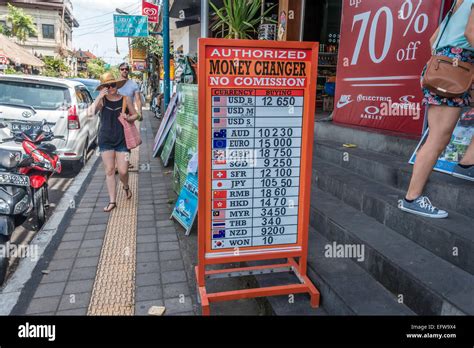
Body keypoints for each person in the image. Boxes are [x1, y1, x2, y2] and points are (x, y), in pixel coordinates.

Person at [399, 0, 474, 219]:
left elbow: (433, 40)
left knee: (438, 136)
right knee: (438, 138)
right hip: (456, 70)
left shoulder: (459, 3)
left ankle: (467, 162)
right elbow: (471, 34)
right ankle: (411, 198)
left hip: (450, 66)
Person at [90, 72, 139, 212]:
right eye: (107, 86)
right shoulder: (102, 101)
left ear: (117, 85)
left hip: (122, 140)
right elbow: (90, 112)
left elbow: (135, 114)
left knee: (123, 171)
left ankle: (126, 186)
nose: (111, 88)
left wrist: (129, 118)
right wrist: (99, 96)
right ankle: (112, 201)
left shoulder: (125, 99)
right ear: (103, 88)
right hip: (105, 139)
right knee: (110, 170)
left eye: (113, 85)